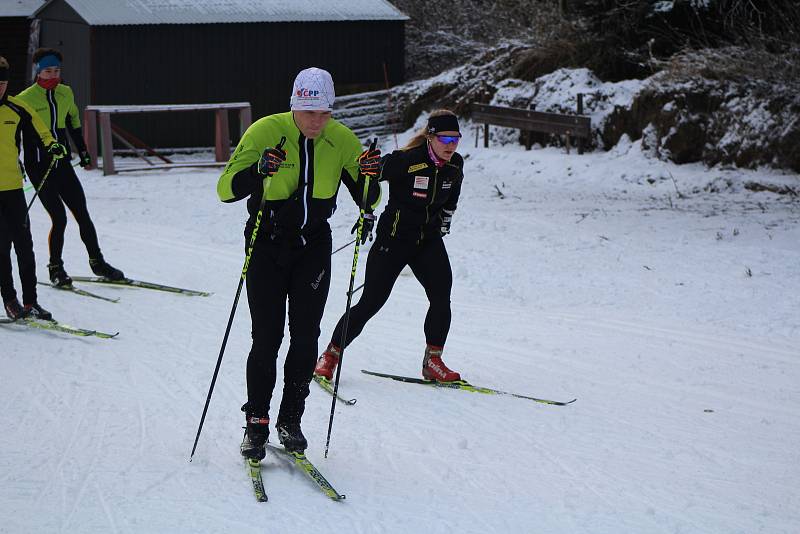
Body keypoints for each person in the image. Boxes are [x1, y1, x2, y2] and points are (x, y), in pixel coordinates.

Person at [216, 67, 381, 458]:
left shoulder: (341, 139)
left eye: (324, 113)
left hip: (312, 247)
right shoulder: (264, 131)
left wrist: (372, 175)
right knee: (267, 337)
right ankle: (256, 421)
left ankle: (291, 419)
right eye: (310, 113)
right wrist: (259, 172)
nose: (317, 122)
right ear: (294, 106)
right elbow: (225, 189)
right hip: (266, 243)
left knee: (306, 336)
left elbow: (368, 197)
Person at [314, 109, 465, 384]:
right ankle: (330, 356)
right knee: (371, 302)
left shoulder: (455, 166)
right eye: (445, 138)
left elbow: (451, 199)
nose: (450, 145)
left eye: (456, 139)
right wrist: (369, 167)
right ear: (430, 137)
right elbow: (372, 174)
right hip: (393, 240)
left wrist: (444, 222)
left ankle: (433, 361)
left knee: (442, 297)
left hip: (427, 241)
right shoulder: (406, 160)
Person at [16, 48, 123, 288]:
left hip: (62, 164)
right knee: (60, 218)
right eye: (47, 71)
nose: (53, 75)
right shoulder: (24, 98)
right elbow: (16, 134)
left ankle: (98, 262)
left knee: (83, 214)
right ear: (37, 71)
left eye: (56, 70)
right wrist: (19, 161)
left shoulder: (65, 93)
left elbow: (73, 122)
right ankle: (56, 268)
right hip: (39, 166)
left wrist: (83, 151)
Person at [0, 55, 66, 320]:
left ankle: (31, 302)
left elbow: (42, 131)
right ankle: (10, 299)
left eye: (3, 83)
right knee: (1, 248)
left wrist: (52, 144)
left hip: (13, 188)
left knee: (24, 246)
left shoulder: (17, 108)